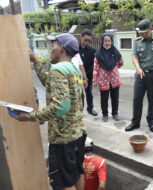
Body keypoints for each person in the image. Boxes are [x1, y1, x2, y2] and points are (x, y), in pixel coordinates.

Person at [11, 33, 87, 190]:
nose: (50, 50)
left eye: (53, 45)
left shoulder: (58, 70)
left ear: (61, 48)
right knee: (77, 173)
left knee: (66, 183)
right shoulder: (74, 70)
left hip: (63, 139)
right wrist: (36, 61)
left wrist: (30, 117)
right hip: (78, 135)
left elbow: (61, 107)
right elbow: (51, 85)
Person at [125, 19, 153, 133]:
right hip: (141, 74)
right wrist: (138, 69)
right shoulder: (137, 41)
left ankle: (151, 122)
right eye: (141, 32)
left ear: (151, 29)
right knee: (136, 99)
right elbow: (134, 57)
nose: (142, 34)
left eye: (145, 32)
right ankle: (135, 122)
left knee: (152, 100)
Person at [93, 33, 124, 122]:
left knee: (115, 97)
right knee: (104, 98)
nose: (107, 43)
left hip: (115, 79)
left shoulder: (116, 52)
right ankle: (105, 114)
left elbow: (121, 62)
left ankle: (115, 113)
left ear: (111, 42)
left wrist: (114, 68)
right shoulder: (98, 54)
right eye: (105, 41)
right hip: (103, 79)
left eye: (109, 41)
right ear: (102, 42)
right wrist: (95, 80)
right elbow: (95, 67)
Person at [79, 29, 98, 116]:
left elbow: (94, 64)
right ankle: (80, 110)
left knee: (89, 93)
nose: (87, 42)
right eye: (85, 39)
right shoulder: (74, 49)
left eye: (89, 40)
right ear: (81, 37)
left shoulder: (92, 51)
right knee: (79, 94)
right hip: (77, 75)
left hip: (88, 76)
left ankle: (90, 109)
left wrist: (87, 76)